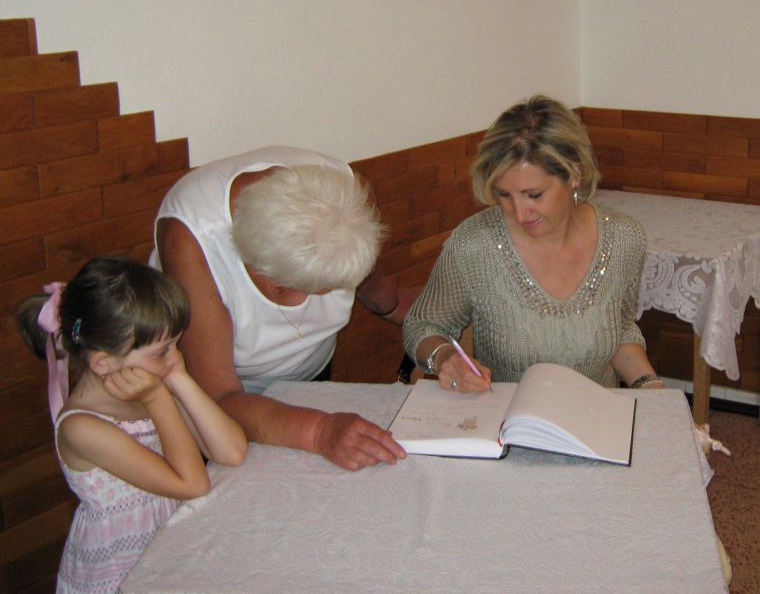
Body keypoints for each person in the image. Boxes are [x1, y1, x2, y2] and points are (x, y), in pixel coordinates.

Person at [151, 146, 410, 471]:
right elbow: (218, 399)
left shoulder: (346, 199)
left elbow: (373, 279)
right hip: (228, 402)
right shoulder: (192, 240)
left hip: (311, 381)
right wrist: (319, 431)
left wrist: (395, 308)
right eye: (311, 288)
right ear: (265, 271)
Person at [403, 95, 666, 393]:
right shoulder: (475, 244)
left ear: (575, 174)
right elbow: (422, 326)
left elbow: (621, 332)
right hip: (508, 415)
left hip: (597, 411)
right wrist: (445, 357)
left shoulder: (624, 238)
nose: (519, 213)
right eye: (504, 195)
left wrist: (649, 385)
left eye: (534, 195)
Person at [16, 257, 248, 594]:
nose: (176, 357)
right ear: (103, 362)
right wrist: (158, 399)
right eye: (163, 350)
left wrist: (178, 378)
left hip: (166, 548)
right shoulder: (82, 427)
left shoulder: (151, 379)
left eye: (176, 344)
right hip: (120, 570)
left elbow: (232, 451)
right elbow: (192, 483)